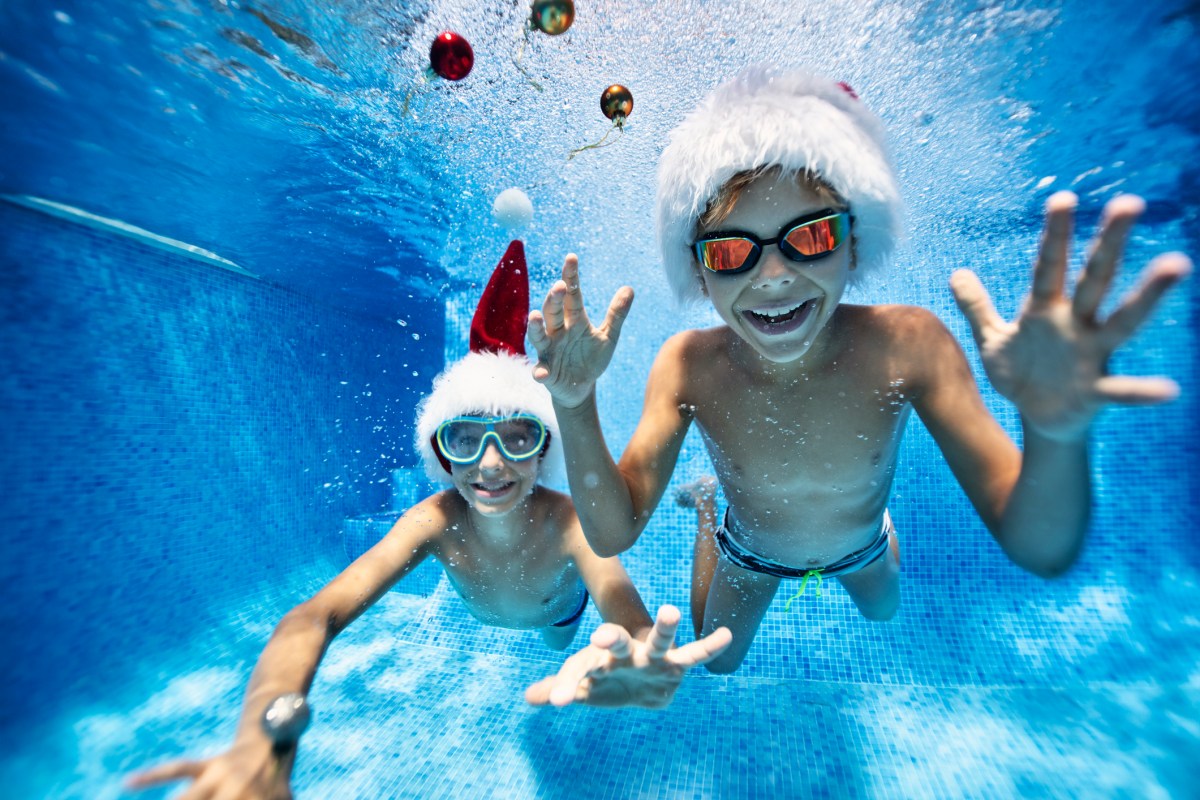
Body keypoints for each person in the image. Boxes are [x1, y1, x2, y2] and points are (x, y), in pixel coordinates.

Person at [527, 66, 1192, 675]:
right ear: (700, 273)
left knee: (884, 611)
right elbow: (614, 531)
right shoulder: (690, 365)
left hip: (861, 544)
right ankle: (708, 510)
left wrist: (1053, 433)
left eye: (810, 237)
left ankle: (861, 532)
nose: (776, 277)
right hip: (750, 553)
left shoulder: (908, 344)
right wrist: (575, 401)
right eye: (733, 252)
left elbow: (1042, 548)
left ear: (854, 244)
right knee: (722, 664)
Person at [126, 241, 731, 799]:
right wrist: (263, 736)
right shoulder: (433, 521)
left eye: (518, 438)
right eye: (465, 440)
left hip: (556, 613)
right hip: (491, 606)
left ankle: (706, 505)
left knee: (560, 644)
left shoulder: (567, 523)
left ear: (543, 450)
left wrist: (630, 651)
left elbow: (626, 620)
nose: (491, 465)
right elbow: (315, 617)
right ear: (441, 453)